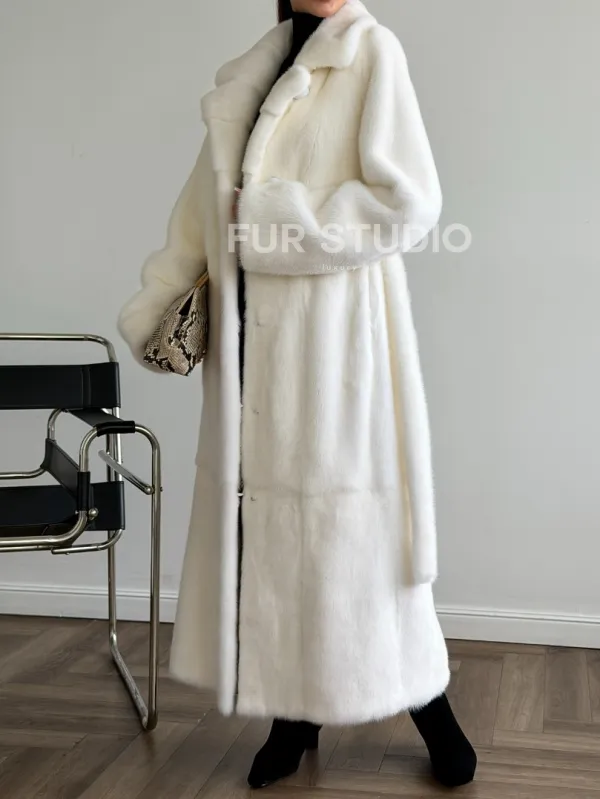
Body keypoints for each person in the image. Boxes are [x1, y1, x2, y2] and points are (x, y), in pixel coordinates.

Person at [117, 0, 477, 790]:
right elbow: (200, 214)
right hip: (251, 352)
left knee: (359, 545)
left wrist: (270, 219)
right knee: (271, 542)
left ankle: (432, 706)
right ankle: (293, 713)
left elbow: (409, 200)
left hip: (335, 350)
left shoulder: (372, 53)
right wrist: (161, 301)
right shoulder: (252, 74)